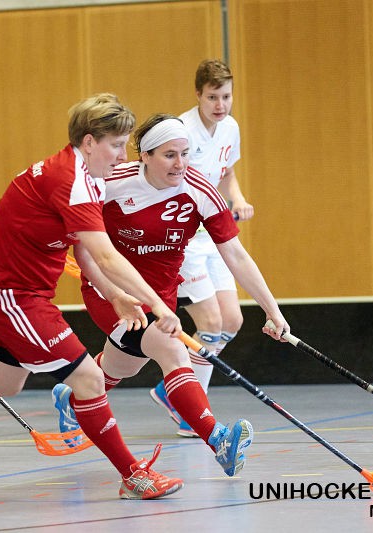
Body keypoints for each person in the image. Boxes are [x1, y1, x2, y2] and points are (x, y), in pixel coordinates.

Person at [0, 94, 185, 500]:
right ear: (89, 141)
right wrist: (159, 304)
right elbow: (105, 254)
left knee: (4, 381)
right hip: (12, 294)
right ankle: (133, 474)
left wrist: (115, 295)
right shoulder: (72, 181)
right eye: (116, 144)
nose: (122, 154)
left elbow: (83, 248)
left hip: (25, 292)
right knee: (89, 378)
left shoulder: (87, 177)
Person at [51, 113, 289, 478]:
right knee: (173, 349)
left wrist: (273, 312)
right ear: (144, 155)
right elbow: (68, 221)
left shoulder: (199, 190)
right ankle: (218, 439)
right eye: (169, 155)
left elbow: (236, 255)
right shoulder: (112, 181)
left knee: (123, 366)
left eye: (185, 153)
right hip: (111, 290)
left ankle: (73, 398)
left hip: (162, 294)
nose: (181, 164)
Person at [149, 60, 252, 437]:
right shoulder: (180, 131)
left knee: (233, 322)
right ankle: (189, 409)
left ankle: (171, 392)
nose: (220, 104)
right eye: (212, 97)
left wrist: (237, 199)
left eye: (226, 96)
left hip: (212, 236)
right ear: (198, 95)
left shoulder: (230, 127)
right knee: (210, 322)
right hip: (185, 240)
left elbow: (227, 172)